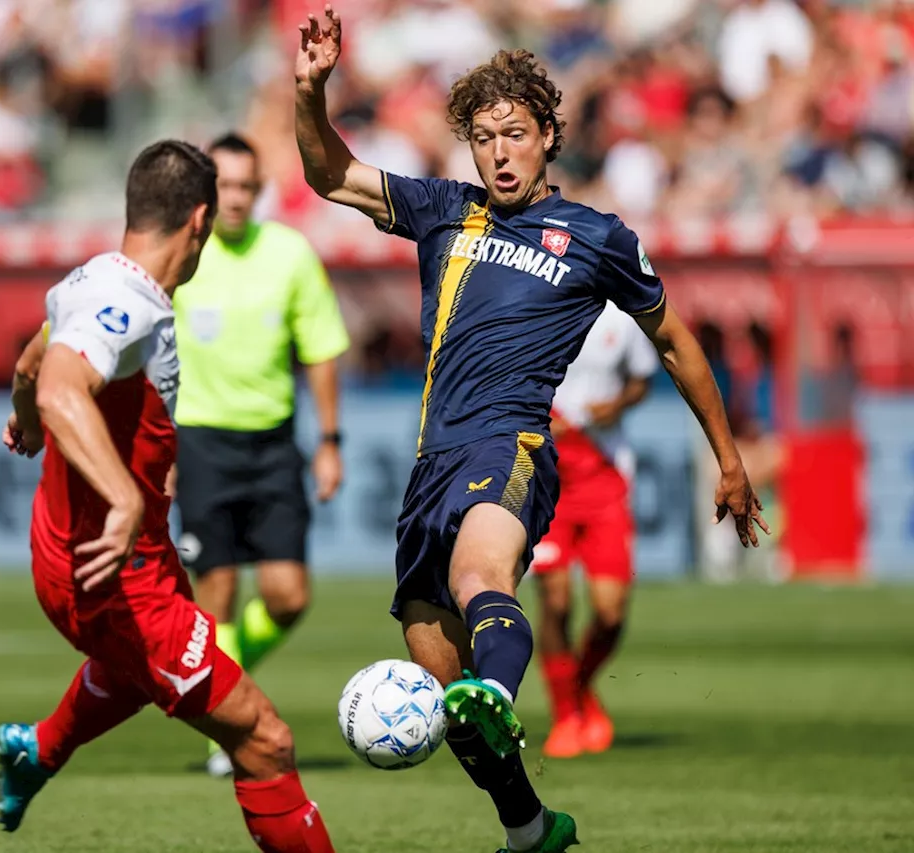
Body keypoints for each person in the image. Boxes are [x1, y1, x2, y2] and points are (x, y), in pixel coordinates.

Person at [294, 8, 767, 852]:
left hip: (512, 445)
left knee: (485, 579)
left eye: (514, 133)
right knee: (447, 683)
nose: (498, 152)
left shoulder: (598, 237)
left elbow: (675, 341)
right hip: (429, 465)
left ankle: (505, 698)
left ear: (549, 135)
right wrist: (311, 89)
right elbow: (331, 174)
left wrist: (727, 459)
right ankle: (528, 825)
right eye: (482, 137)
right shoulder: (444, 210)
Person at [0, 140, 335, 852]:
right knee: (266, 740)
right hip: (117, 575)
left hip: (96, 554)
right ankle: (44, 748)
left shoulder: (93, 278)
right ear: (201, 221)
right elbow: (59, 384)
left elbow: (33, 365)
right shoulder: (129, 306)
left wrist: (27, 418)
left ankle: (40, 749)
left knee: (128, 672)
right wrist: (121, 495)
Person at [172, 132, 349, 777]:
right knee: (214, 594)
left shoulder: (289, 254)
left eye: (248, 186)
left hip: (274, 444)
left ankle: (222, 685)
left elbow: (322, 348)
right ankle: (229, 730)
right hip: (200, 442)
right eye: (225, 186)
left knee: (288, 596)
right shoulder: (182, 254)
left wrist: (329, 441)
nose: (238, 198)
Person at [530, 302, 657, 759]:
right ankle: (565, 715)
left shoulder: (621, 315)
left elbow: (643, 379)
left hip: (604, 474)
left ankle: (579, 687)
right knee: (557, 600)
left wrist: (618, 404)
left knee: (610, 613)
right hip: (544, 476)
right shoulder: (535, 300)